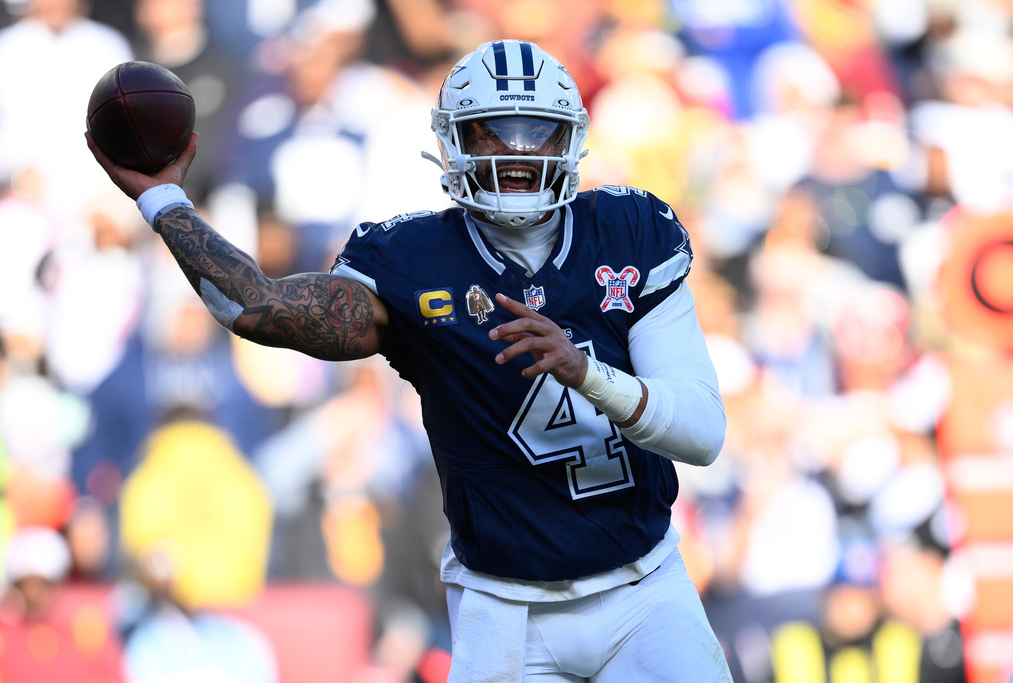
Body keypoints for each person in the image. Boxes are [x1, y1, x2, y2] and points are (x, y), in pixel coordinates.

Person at [87, 38, 733, 682]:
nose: (514, 150)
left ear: (569, 138)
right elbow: (254, 307)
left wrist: (586, 373)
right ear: (451, 141)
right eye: (490, 131)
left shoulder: (628, 229)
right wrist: (164, 200)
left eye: (535, 131)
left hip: (643, 587)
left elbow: (701, 433)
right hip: (504, 608)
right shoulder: (410, 258)